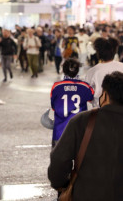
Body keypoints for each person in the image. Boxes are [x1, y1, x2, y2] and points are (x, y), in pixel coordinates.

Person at [48, 71, 123, 200]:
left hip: (86, 195)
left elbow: (59, 160)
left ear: (105, 96)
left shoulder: (83, 121)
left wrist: (62, 184)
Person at [50, 59, 94, 147]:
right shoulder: (85, 86)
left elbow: (54, 106)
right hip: (79, 132)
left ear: (63, 70)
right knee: (81, 160)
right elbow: (92, 98)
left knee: (58, 160)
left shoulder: (56, 86)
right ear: (78, 70)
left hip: (59, 132)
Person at [85, 37, 123, 107]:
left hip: (99, 109)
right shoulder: (121, 66)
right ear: (115, 51)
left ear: (98, 52)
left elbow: (87, 94)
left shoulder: (92, 71)